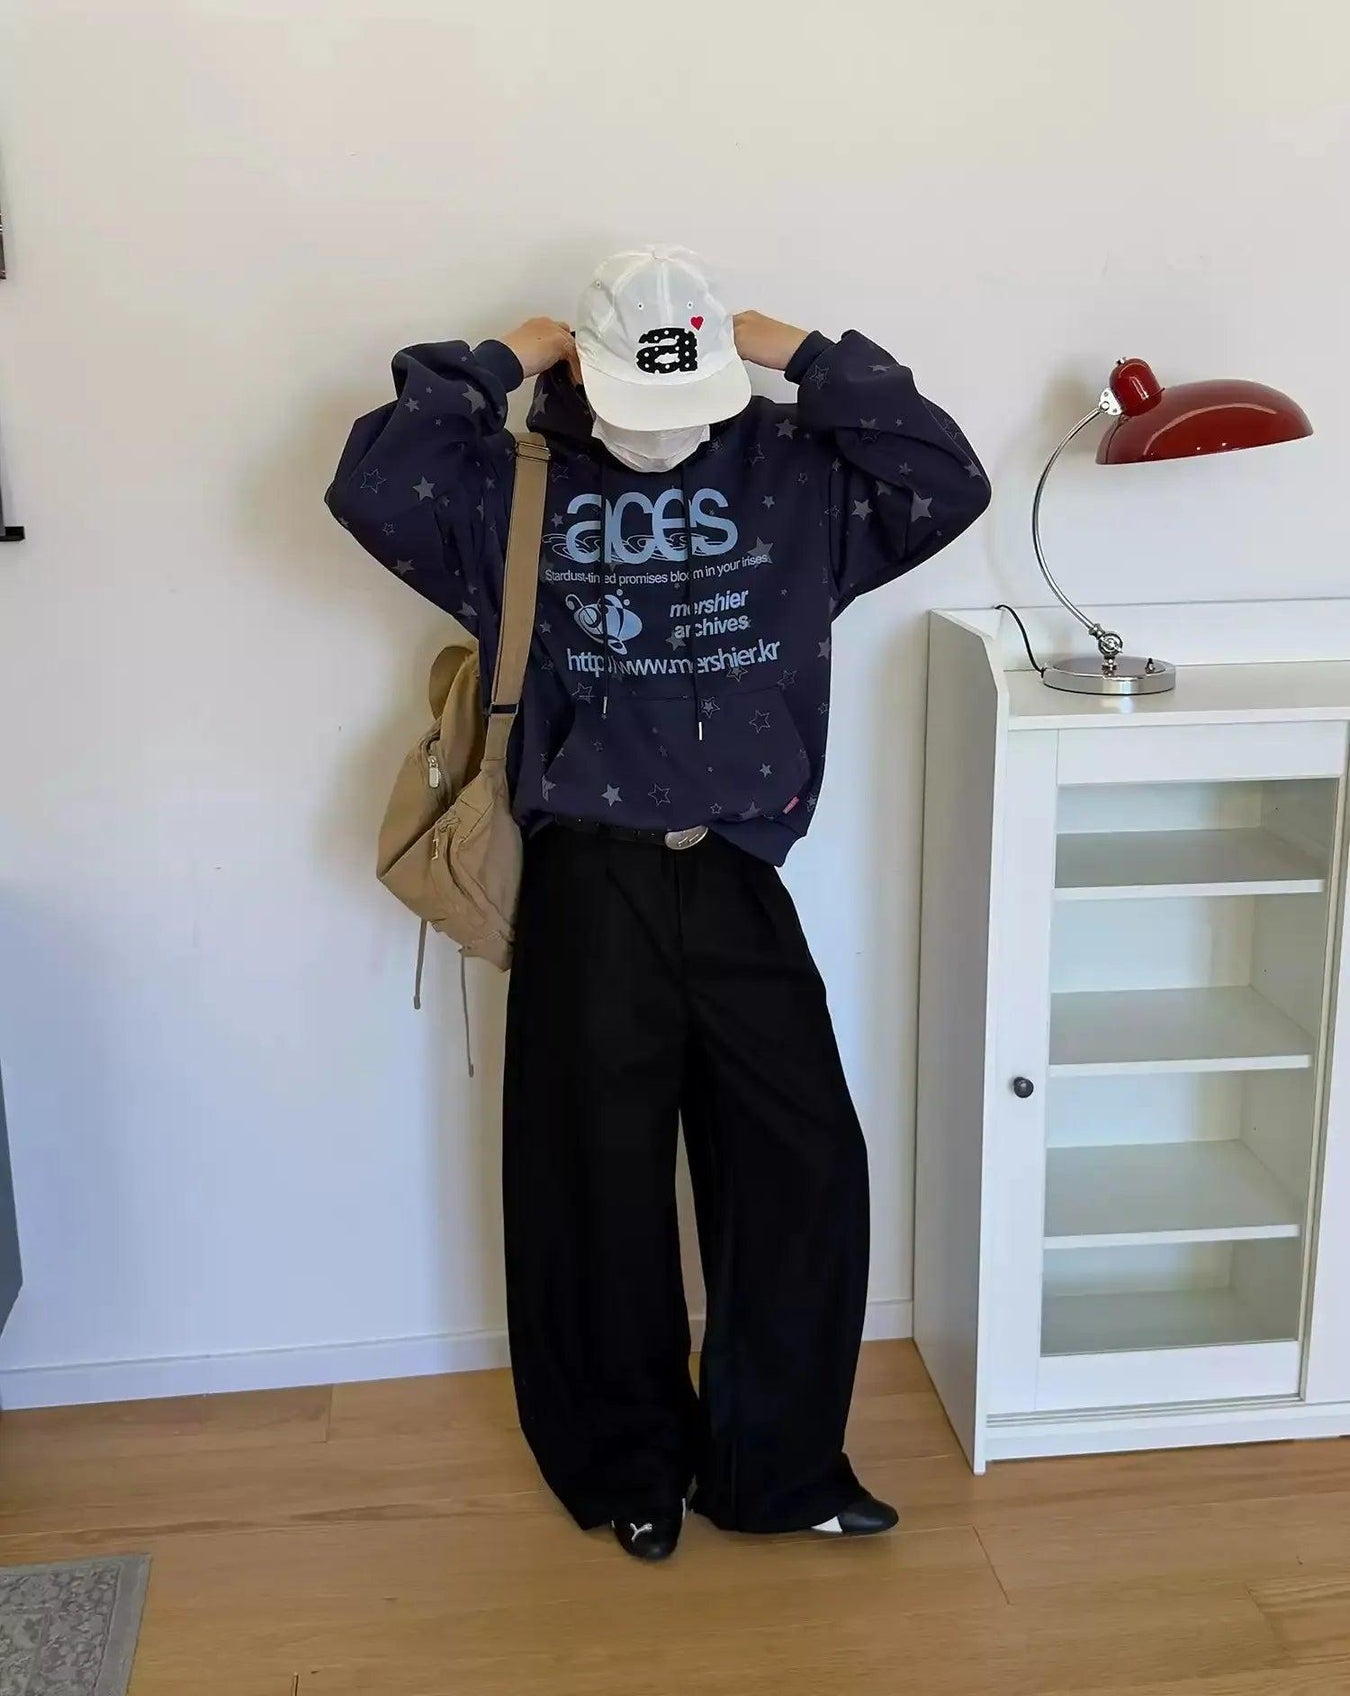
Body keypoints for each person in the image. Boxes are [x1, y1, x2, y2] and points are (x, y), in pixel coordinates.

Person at [327, 245, 991, 1561]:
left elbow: (945, 478)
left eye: (682, 403)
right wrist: (501, 358)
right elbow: (375, 483)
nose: (657, 435)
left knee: (801, 1170)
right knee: (593, 1185)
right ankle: (627, 1464)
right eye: (632, 401)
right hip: (587, 875)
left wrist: (799, 350)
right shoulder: (512, 486)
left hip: (739, 870)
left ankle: (778, 1470)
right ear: (586, 372)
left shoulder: (796, 475)